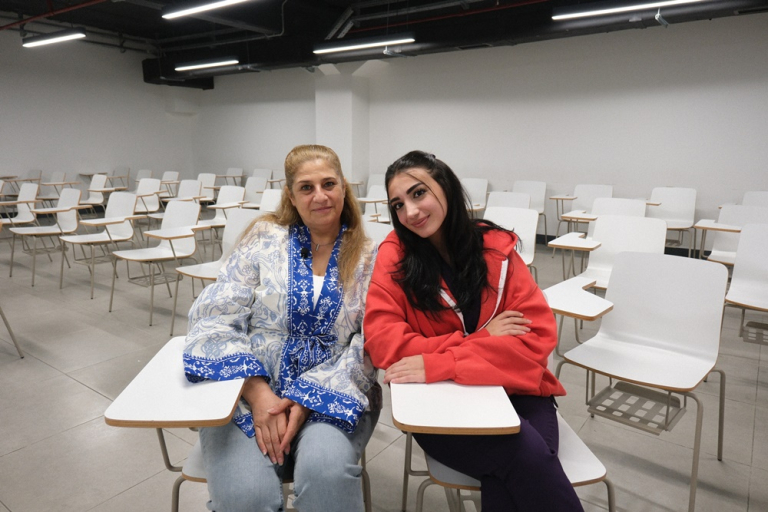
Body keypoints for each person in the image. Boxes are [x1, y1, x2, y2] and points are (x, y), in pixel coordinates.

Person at [363, 150, 584, 511]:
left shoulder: (495, 247)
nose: (410, 212)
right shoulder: (395, 256)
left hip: (518, 388)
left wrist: (440, 362)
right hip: (440, 403)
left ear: (446, 187)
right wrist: (482, 339)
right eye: (398, 205)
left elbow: (535, 339)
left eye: (419, 193)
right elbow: (385, 343)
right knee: (527, 456)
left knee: (517, 471)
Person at [184, 145, 381, 512]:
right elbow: (216, 315)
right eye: (306, 187)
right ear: (291, 195)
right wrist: (258, 393)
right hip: (245, 389)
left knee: (326, 478)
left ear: (343, 188)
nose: (320, 196)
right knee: (246, 498)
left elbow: (371, 341)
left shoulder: (370, 256)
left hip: (332, 392)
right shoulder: (263, 237)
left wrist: (308, 398)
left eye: (329, 184)